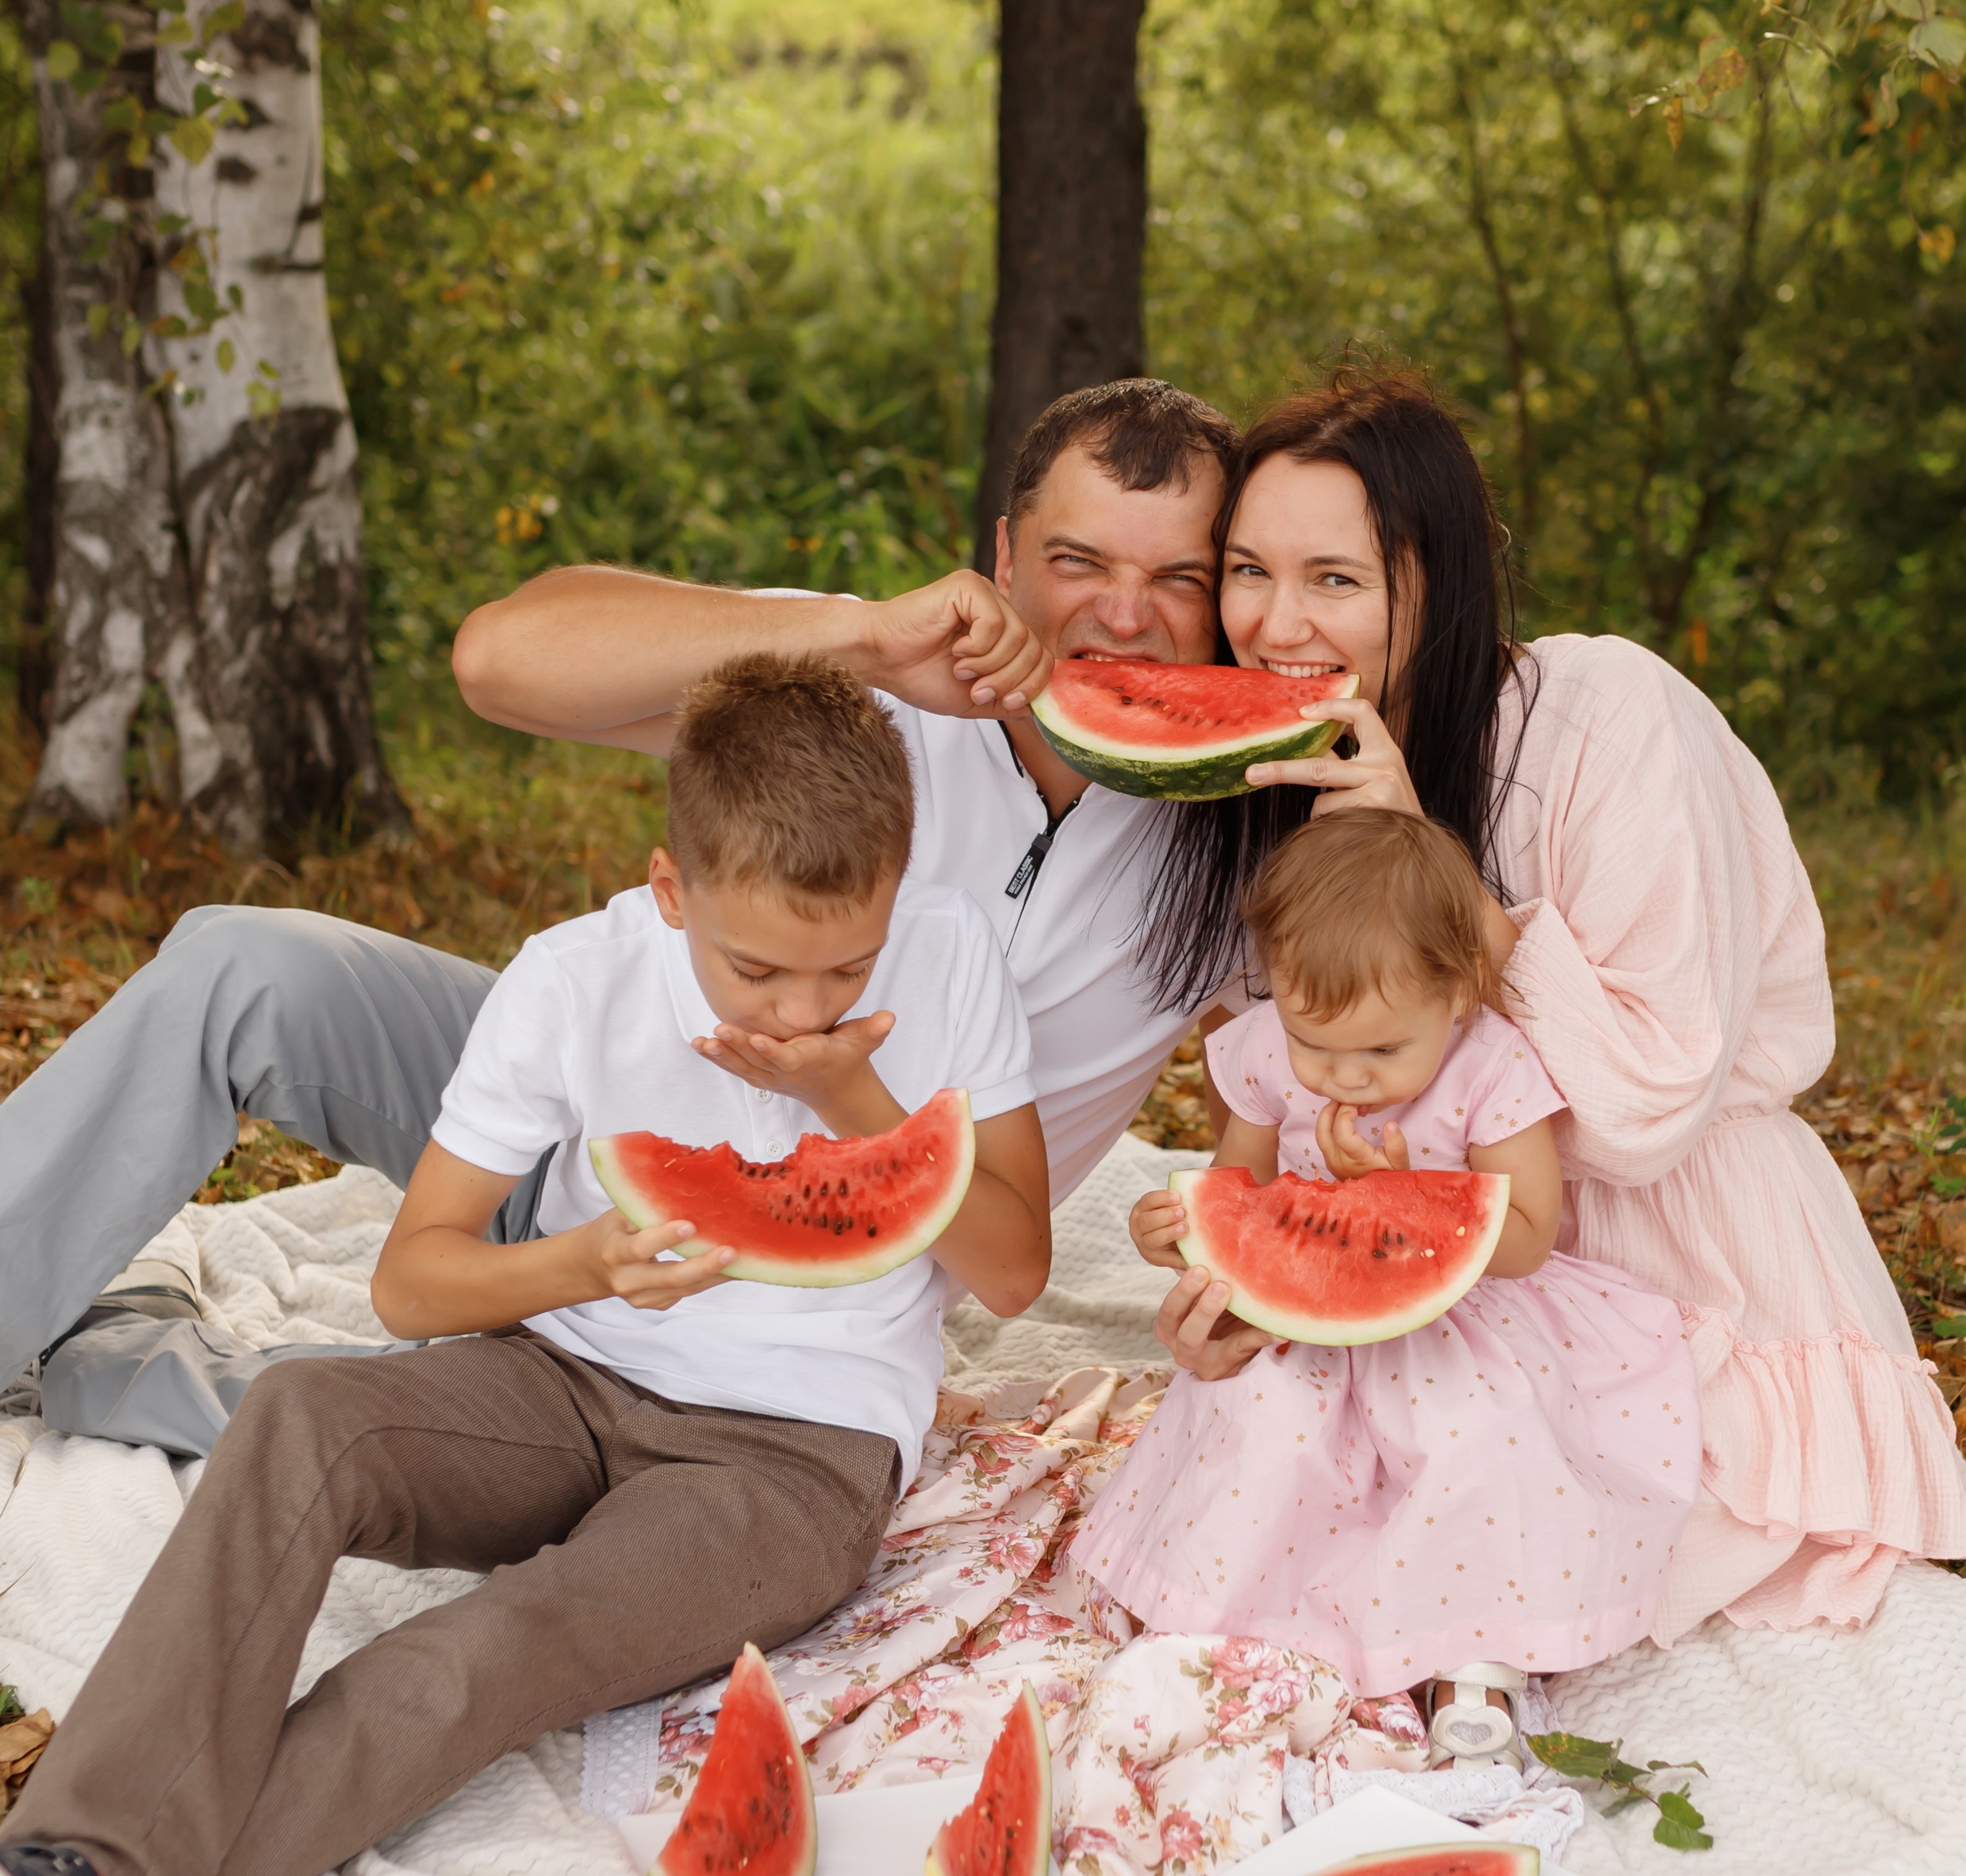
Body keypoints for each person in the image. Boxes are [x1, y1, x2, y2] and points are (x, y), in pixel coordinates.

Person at [0, 656, 1051, 1876]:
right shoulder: (573, 979)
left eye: (845, 966)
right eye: (755, 968)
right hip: (562, 1375)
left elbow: (1019, 1271)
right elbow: (410, 1281)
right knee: (303, 1417)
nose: (799, 1012)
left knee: (492, 1649)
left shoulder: (953, 952)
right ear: (673, 890)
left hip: (796, 1463)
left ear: (898, 895)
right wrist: (579, 1263)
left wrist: (861, 1094)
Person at [4, 378, 1252, 1451]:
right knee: (242, 960)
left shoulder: (1249, 841)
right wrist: (860, 638)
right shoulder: (874, 689)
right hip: (590, 1110)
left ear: (1230, 600)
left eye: (1176, 580)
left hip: (797, 1286)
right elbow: (501, 659)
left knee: (479, 1438)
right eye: (1077, 562)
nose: (1123, 616)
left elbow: (1385, 1042)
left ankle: (127, 1376)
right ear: (1002, 556)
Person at [1144, 363, 1966, 1639]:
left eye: (1337, 580)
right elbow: (1324, 1087)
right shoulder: (1278, 770)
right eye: (1247, 572)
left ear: (1445, 581)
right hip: (1443, 1278)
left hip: (1678, 1251)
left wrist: (1428, 854)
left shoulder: (1605, 712)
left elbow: (1649, 1113)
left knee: (1542, 1570)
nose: (1274, 625)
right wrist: (1244, 1280)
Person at [1073, 808, 1701, 1764]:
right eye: (1313, 1046)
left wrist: (1397, 1196)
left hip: (1465, 1318)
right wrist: (1174, 1230)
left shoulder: (1491, 1064)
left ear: (1456, 997)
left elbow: (1525, 1234)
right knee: (1264, 1426)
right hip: (1302, 1318)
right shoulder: (1263, 1053)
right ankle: (1226, 1623)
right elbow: (1235, 1189)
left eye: (1378, 1053)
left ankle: (1476, 1658)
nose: (1342, 1077)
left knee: (1476, 1438)